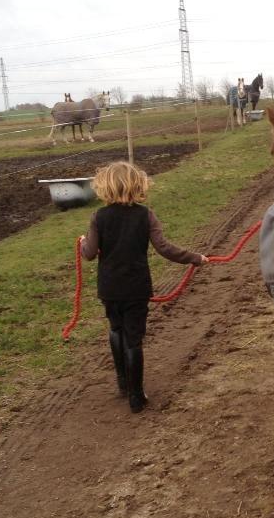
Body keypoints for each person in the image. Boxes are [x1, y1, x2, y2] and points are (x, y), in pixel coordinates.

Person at [81, 161, 208, 413]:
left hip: (109, 289)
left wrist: (84, 242)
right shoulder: (146, 215)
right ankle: (136, 397)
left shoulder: (98, 217)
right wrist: (195, 257)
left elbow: (90, 254)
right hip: (137, 288)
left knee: (116, 329)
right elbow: (165, 248)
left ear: (104, 187)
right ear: (138, 185)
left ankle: (123, 384)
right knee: (134, 339)